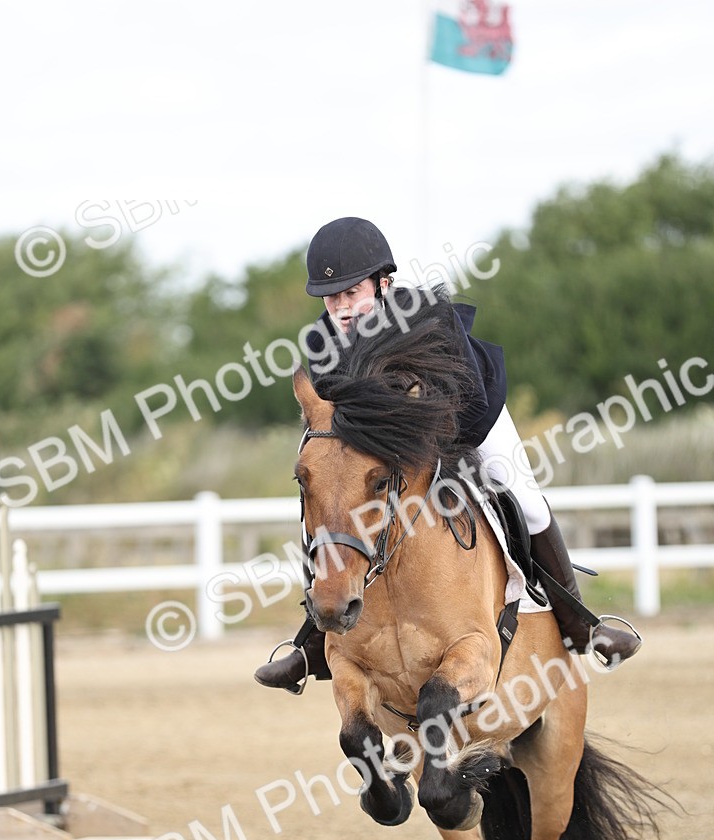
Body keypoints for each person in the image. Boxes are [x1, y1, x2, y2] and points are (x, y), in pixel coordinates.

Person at [255, 216, 641, 691]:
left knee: (525, 499)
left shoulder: (427, 319)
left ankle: (584, 626)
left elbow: (471, 404)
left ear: (382, 283)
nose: (341, 307)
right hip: (385, 452)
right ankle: (313, 642)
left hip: (468, 421)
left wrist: (412, 439)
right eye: (332, 298)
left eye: (351, 293)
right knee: (326, 512)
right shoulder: (323, 345)